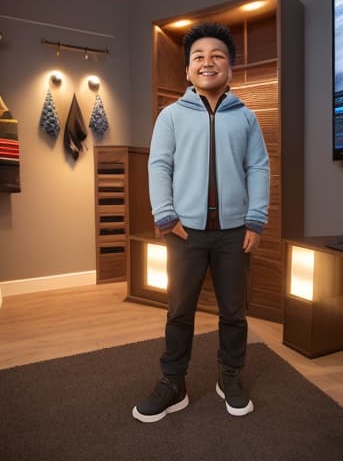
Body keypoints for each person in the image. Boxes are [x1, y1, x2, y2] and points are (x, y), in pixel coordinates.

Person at [132, 22, 270, 422]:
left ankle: (229, 377)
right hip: (184, 233)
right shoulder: (171, 116)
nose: (208, 62)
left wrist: (255, 221)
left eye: (217, 56)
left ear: (230, 69)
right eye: (199, 57)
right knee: (179, 311)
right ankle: (173, 383)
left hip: (233, 235)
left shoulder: (246, 118)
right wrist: (166, 216)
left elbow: (258, 168)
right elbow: (159, 166)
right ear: (188, 71)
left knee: (233, 311)